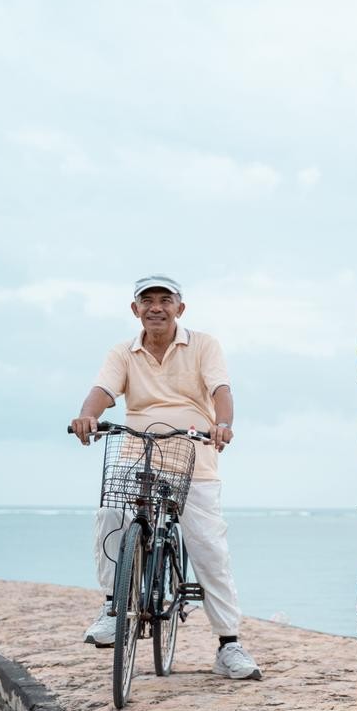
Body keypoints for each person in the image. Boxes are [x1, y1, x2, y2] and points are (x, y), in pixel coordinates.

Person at [68, 274, 262, 681]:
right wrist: (88, 416)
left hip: (193, 454)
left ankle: (229, 644)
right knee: (111, 514)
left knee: (209, 547)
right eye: (147, 300)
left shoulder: (203, 345)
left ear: (179, 308)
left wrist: (222, 424)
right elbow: (102, 391)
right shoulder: (123, 352)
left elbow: (221, 390)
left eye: (165, 300)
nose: (156, 307)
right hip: (137, 452)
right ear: (135, 309)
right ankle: (112, 607)